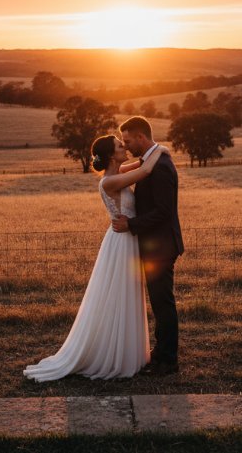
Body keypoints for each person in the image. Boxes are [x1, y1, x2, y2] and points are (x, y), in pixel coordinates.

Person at [24, 134, 168, 382]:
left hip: (126, 238)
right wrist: (161, 148)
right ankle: (113, 354)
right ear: (112, 155)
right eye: (120, 145)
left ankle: (125, 350)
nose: (124, 147)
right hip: (121, 242)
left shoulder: (118, 172)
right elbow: (145, 170)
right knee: (119, 293)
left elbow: (139, 165)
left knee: (126, 293)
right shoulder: (108, 182)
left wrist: (151, 152)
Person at [112, 116, 184, 375]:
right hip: (155, 244)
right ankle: (162, 352)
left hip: (162, 245)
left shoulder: (161, 165)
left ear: (141, 137)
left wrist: (131, 225)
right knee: (159, 301)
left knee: (163, 302)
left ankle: (168, 360)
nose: (126, 145)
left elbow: (164, 211)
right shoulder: (149, 161)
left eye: (129, 140)